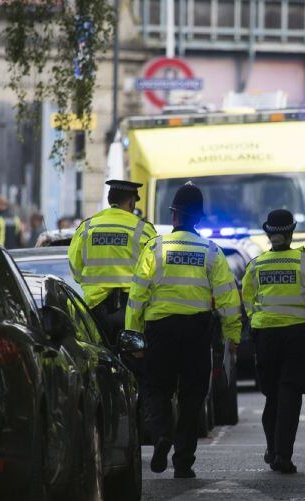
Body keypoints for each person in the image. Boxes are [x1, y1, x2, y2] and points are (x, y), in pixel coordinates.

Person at [125, 182, 242, 479]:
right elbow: (228, 299)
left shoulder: (155, 247)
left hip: (160, 331)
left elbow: (137, 296)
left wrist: (133, 335)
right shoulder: (211, 251)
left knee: (155, 388)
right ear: (199, 219)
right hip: (196, 332)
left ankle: (162, 433)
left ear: (174, 215)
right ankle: (183, 461)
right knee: (193, 395)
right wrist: (233, 336)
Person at [242, 209, 305, 474]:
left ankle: (273, 449)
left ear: (268, 233)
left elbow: (248, 301)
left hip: (265, 337)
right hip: (297, 336)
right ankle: (282, 454)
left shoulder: (256, 265)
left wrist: (259, 319)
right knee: (290, 395)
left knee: (272, 396)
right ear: (292, 231)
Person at [68, 180, 157, 345]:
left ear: (110, 200)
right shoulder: (144, 230)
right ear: (131, 202)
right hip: (132, 311)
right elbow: (155, 272)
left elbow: (75, 269)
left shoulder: (87, 228)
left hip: (94, 310)